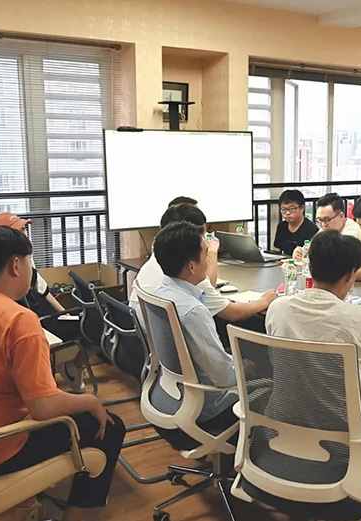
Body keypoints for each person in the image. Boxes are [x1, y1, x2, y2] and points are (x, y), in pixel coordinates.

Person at [0, 225, 124, 521]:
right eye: (29, 261)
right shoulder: (19, 319)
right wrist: (90, 401)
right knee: (110, 427)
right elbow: (43, 406)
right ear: (16, 265)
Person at [266, 230, 361, 433]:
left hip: (283, 428)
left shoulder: (278, 308)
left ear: (310, 266)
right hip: (346, 441)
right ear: (351, 274)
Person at [146, 221, 239, 447]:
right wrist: (251, 368)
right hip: (207, 412)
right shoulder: (193, 311)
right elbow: (225, 378)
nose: (208, 259)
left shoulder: (160, 292)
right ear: (191, 266)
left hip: (167, 398)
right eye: (206, 254)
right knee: (274, 383)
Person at [128, 203, 277, 341]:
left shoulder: (162, 257)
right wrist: (263, 302)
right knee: (250, 324)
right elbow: (233, 313)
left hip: (151, 338)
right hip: (169, 341)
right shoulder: (188, 286)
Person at [0, 211, 86, 393]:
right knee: (92, 327)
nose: (25, 233)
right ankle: (71, 368)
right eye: (20, 230)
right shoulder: (7, 271)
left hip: (47, 314)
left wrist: (65, 314)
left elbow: (44, 290)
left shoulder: (25, 257)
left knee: (88, 321)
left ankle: (71, 367)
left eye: (24, 229)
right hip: (38, 321)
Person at [292, 192, 361, 261]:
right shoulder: (326, 228)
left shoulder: (352, 233)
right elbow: (310, 249)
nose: (323, 224)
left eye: (327, 219)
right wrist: (301, 252)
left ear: (341, 216)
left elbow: (335, 259)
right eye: (320, 220)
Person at [272, 189, 318, 255]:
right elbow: (276, 251)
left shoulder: (311, 229)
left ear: (302, 208)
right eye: (284, 209)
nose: (287, 213)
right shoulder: (281, 226)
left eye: (292, 209)